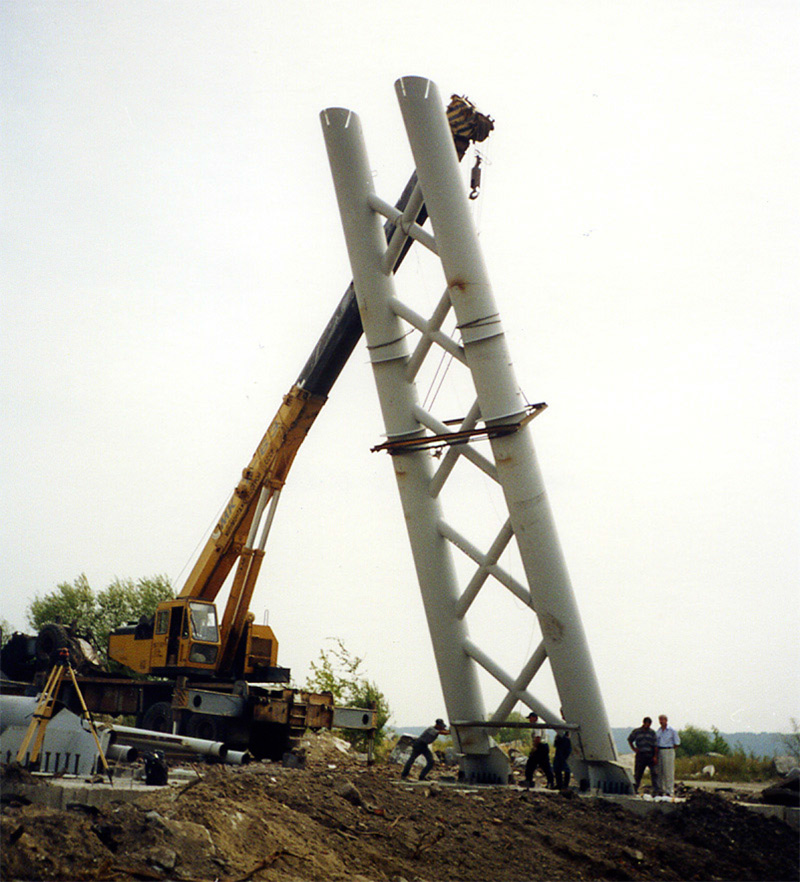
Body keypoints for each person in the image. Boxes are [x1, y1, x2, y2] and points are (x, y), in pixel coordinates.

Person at [627, 716, 659, 794]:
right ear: (644, 723)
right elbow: (630, 740)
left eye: (649, 724)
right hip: (640, 754)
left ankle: (655, 790)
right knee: (638, 773)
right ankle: (635, 789)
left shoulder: (652, 732)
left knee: (654, 773)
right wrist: (634, 749)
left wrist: (655, 756)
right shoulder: (637, 731)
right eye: (647, 724)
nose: (647, 726)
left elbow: (655, 745)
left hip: (650, 754)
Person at [655, 714, 680, 796]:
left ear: (666, 720)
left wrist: (670, 749)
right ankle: (661, 790)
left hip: (668, 750)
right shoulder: (658, 731)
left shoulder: (671, 731)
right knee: (660, 771)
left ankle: (670, 791)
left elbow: (677, 742)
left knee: (668, 771)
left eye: (663, 719)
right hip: (659, 750)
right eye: (660, 720)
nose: (661, 721)